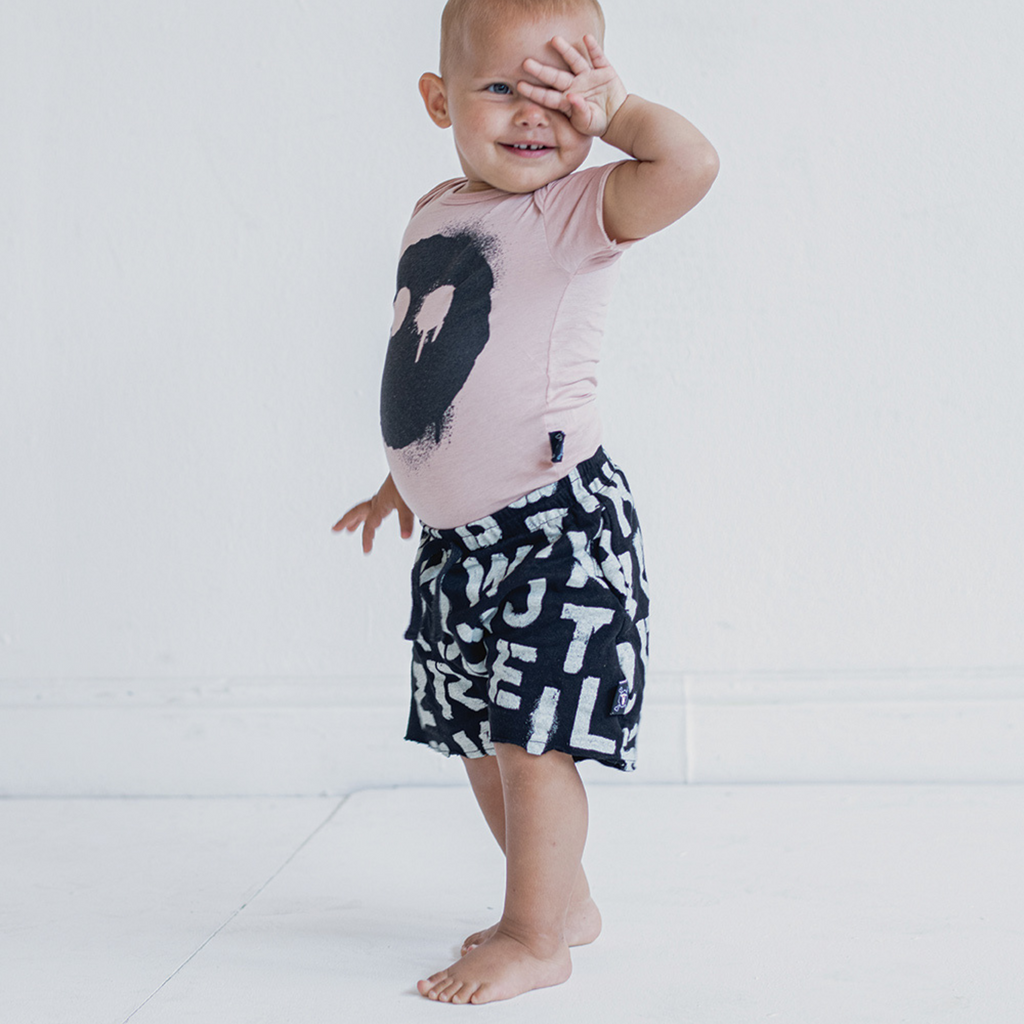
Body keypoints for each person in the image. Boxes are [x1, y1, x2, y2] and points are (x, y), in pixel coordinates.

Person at [333, 0, 718, 1005]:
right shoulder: (436, 208)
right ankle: (564, 901)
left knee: (530, 739)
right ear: (439, 100)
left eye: (561, 90)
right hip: (457, 544)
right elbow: (439, 365)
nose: (533, 113)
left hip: (555, 529)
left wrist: (619, 113)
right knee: (477, 738)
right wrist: (405, 478)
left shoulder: (576, 210)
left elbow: (690, 165)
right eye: (502, 87)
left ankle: (533, 936)